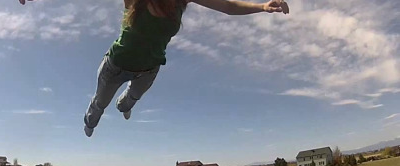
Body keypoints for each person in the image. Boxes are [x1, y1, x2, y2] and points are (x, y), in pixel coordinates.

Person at [21, 0, 290, 137]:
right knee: (99, 105)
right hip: (114, 67)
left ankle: (125, 106)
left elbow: (226, 5)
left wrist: (263, 6)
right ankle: (90, 122)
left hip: (149, 69)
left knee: (130, 101)